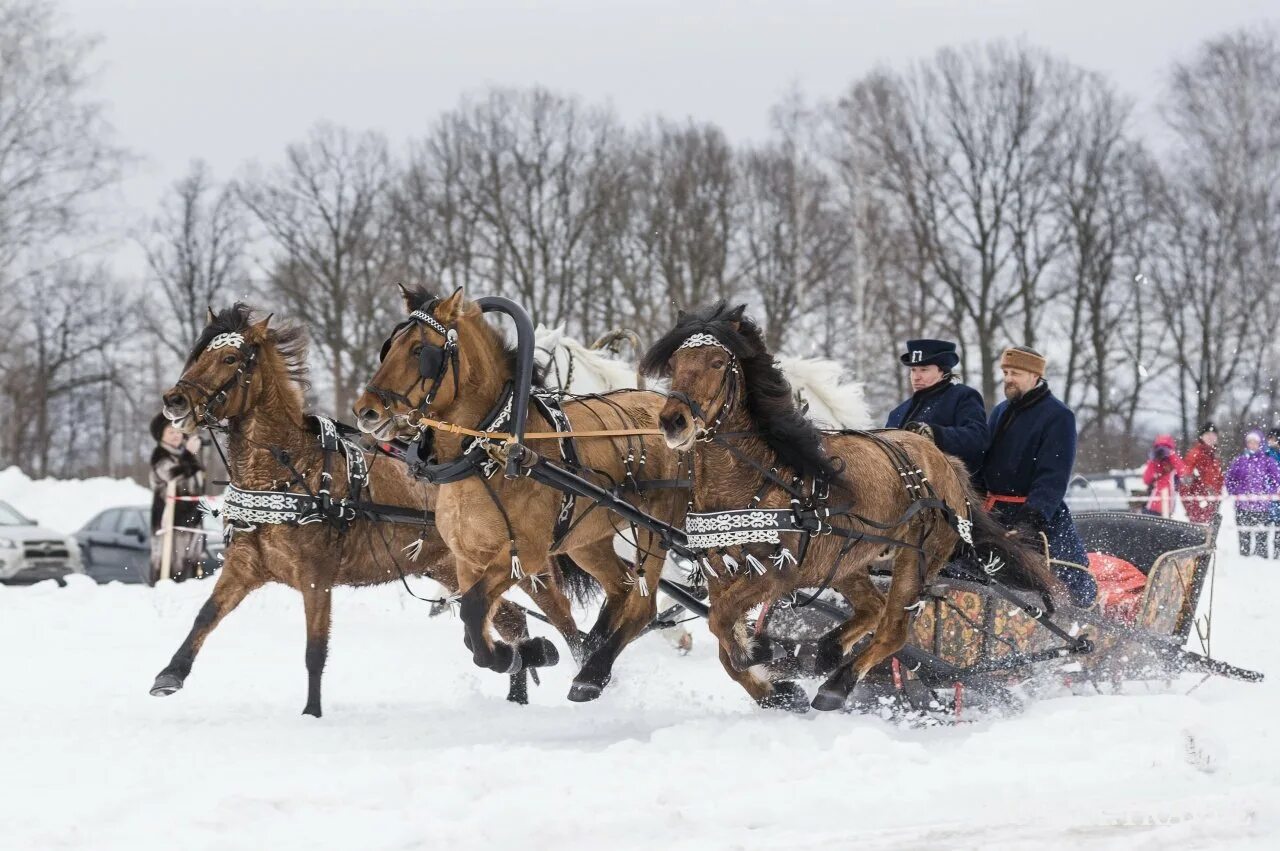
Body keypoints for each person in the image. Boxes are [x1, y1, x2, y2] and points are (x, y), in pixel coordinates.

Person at [980, 346, 1096, 608]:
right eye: (1006, 372)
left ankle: (1082, 622)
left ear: (1035, 376)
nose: (1008, 378)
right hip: (994, 511)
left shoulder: (1058, 415)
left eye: (1016, 373)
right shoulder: (1000, 411)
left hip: (1037, 514)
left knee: (1071, 578)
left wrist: (1032, 519)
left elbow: (1053, 475)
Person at [884, 338, 988, 478]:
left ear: (943, 371)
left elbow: (978, 439)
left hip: (951, 491)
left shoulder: (962, 396)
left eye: (924, 370)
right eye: (913, 370)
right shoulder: (898, 412)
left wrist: (936, 434)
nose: (916, 377)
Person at [149, 414, 207, 582]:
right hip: (171, 521)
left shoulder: (184, 455)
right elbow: (173, 475)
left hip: (192, 519)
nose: (175, 435)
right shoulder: (160, 456)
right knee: (172, 566)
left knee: (193, 567)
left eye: (178, 431)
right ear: (161, 435)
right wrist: (189, 454)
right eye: (170, 432)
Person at [1225, 429, 1280, 558]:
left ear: (1261, 443)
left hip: (1262, 507)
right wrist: (1236, 491)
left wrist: (1268, 491)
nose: (1252, 445)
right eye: (1250, 442)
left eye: (1255, 442)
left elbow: (1277, 479)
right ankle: (1244, 562)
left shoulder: (1267, 461)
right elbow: (1230, 479)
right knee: (1244, 538)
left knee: (1261, 540)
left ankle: (1260, 566)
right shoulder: (1240, 460)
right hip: (1242, 506)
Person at [1180, 423, 1224, 524]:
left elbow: (1219, 481)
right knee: (1198, 537)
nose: (1211, 437)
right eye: (1208, 434)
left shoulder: (1215, 457)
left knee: (1209, 538)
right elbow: (1185, 484)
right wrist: (1192, 508)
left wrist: (1216, 501)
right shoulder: (1194, 454)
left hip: (1212, 506)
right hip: (1198, 506)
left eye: (1213, 435)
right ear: (1201, 436)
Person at [1141, 434, 1184, 517]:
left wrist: (1171, 455)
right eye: (1159, 447)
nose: (1162, 451)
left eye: (1165, 447)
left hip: (1169, 507)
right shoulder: (1155, 463)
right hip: (1152, 507)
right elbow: (1146, 480)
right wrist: (1153, 461)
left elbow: (1183, 472)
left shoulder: (1174, 466)